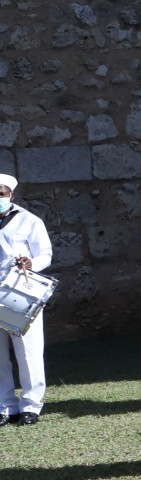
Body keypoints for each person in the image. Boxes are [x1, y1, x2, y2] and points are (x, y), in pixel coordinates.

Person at [0, 173, 52, 426]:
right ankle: (5, 406)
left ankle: (31, 405)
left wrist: (32, 263)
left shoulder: (29, 220)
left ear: (11, 194)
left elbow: (45, 254)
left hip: (20, 292)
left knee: (28, 350)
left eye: (1, 193)